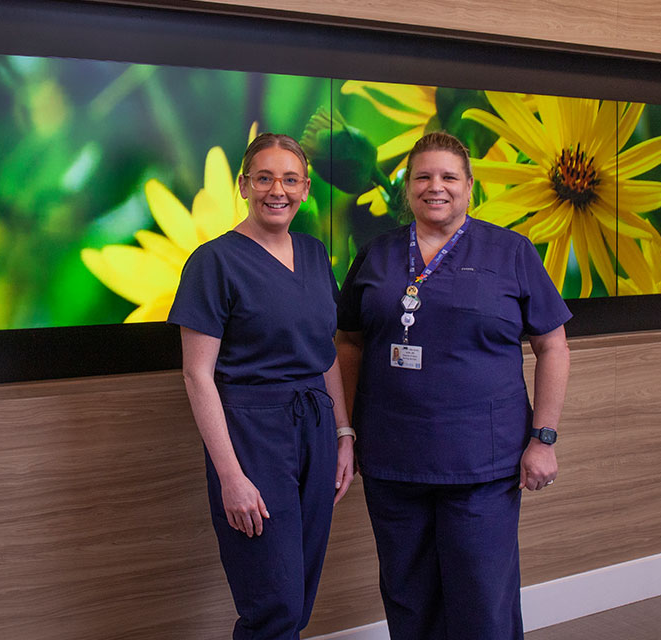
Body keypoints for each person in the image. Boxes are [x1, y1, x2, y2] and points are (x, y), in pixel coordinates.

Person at [336, 131, 571, 639]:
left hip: (481, 466)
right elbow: (348, 343)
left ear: (469, 187)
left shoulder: (511, 252)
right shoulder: (375, 256)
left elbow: (553, 346)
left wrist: (543, 438)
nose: (434, 187)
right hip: (393, 462)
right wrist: (346, 432)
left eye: (448, 177)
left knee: (482, 603)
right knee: (408, 601)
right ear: (407, 188)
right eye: (422, 176)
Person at [168, 133, 356, 640]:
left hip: (315, 428)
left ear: (306, 188)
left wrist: (343, 434)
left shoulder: (316, 255)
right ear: (243, 185)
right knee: (272, 604)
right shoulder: (214, 262)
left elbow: (326, 351)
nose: (279, 190)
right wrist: (231, 476)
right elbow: (197, 375)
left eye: (290, 179)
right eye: (265, 177)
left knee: (300, 597)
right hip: (252, 436)